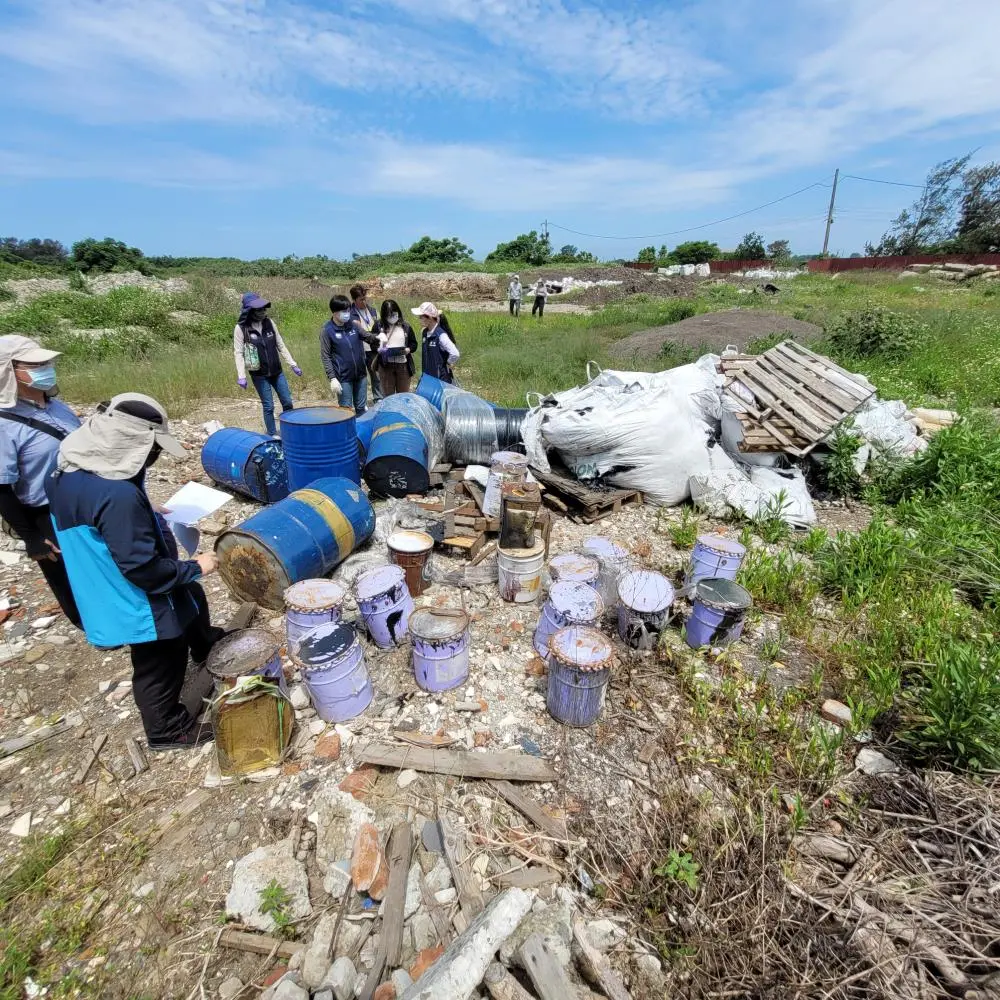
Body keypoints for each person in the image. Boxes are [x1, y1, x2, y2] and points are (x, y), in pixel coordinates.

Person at [46, 394, 225, 751]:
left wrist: (145, 507)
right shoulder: (118, 497)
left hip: (98, 573)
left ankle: (206, 645)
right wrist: (197, 565)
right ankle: (167, 729)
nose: (154, 457)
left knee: (192, 597)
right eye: (153, 448)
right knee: (160, 654)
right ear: (132, 442)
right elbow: (144, 570)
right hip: (132, 592)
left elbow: (98, 514)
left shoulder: (70, 468)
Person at [0, 335, 82, 628]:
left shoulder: (56, 406)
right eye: (35, 364)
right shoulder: (4, 423)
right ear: (9, 371)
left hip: (83, 499)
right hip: (46, 512)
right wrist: (31, 538)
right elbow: (2, 489)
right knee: (65, 575)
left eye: (46, 362)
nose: (45, 368)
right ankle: (90, 626)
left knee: (94, 565)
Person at [233, 292, 302, 437]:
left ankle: (290, 432)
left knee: (287, 402)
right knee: (269, 406)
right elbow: (238, 353)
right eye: (259, 309)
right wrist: (241, 376)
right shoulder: (241, 329)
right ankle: (272, 434)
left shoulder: (269, 323)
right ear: (249, 311)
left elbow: (280, 345)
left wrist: (292, 364)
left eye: (263, 309)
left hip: (277, 372)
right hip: (259, 374)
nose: (262, 312)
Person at [321, 294, 369, 415]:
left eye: (348, 310)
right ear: (334, 312)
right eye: (344, 311)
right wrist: (332, 378)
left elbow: (367, 336)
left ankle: (360, 433)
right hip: (343, 378)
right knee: (345, 411)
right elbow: (325, 356)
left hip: (360, 374)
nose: (347, 313)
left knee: (361, 409)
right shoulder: (327, 330)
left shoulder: (353, 325)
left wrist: (378, 337)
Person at [376, 299, 418, 397]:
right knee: (388, 397)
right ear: (384, 315)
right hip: (386, 367)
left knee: (403, 397)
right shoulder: (378, 326)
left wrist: (408, 350)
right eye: (389, 315)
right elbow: (373, 343)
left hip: (403, 366)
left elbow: (413, 344)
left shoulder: (405, 326)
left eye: (394, 314)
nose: (392, 317)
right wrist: (381, 349)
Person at [349, 284, 383, 404]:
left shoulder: (373, 311)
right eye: (361, 299)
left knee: (377, 376)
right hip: (359, 350)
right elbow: (356, 331)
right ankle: (360, 403)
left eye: (365, 298)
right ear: (354, 300)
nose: (364, 301)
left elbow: (380, 327)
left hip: (373, 349)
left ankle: (378, 399)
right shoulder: (350, 313)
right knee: (361, 378)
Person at [412, 302, 460, 383]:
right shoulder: (424, 332)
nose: (419, 319)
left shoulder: (441, 335)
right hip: (428, 376)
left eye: (421, 317)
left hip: (440, 379)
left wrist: (447, 363)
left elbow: (455, 353)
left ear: (430, 318)